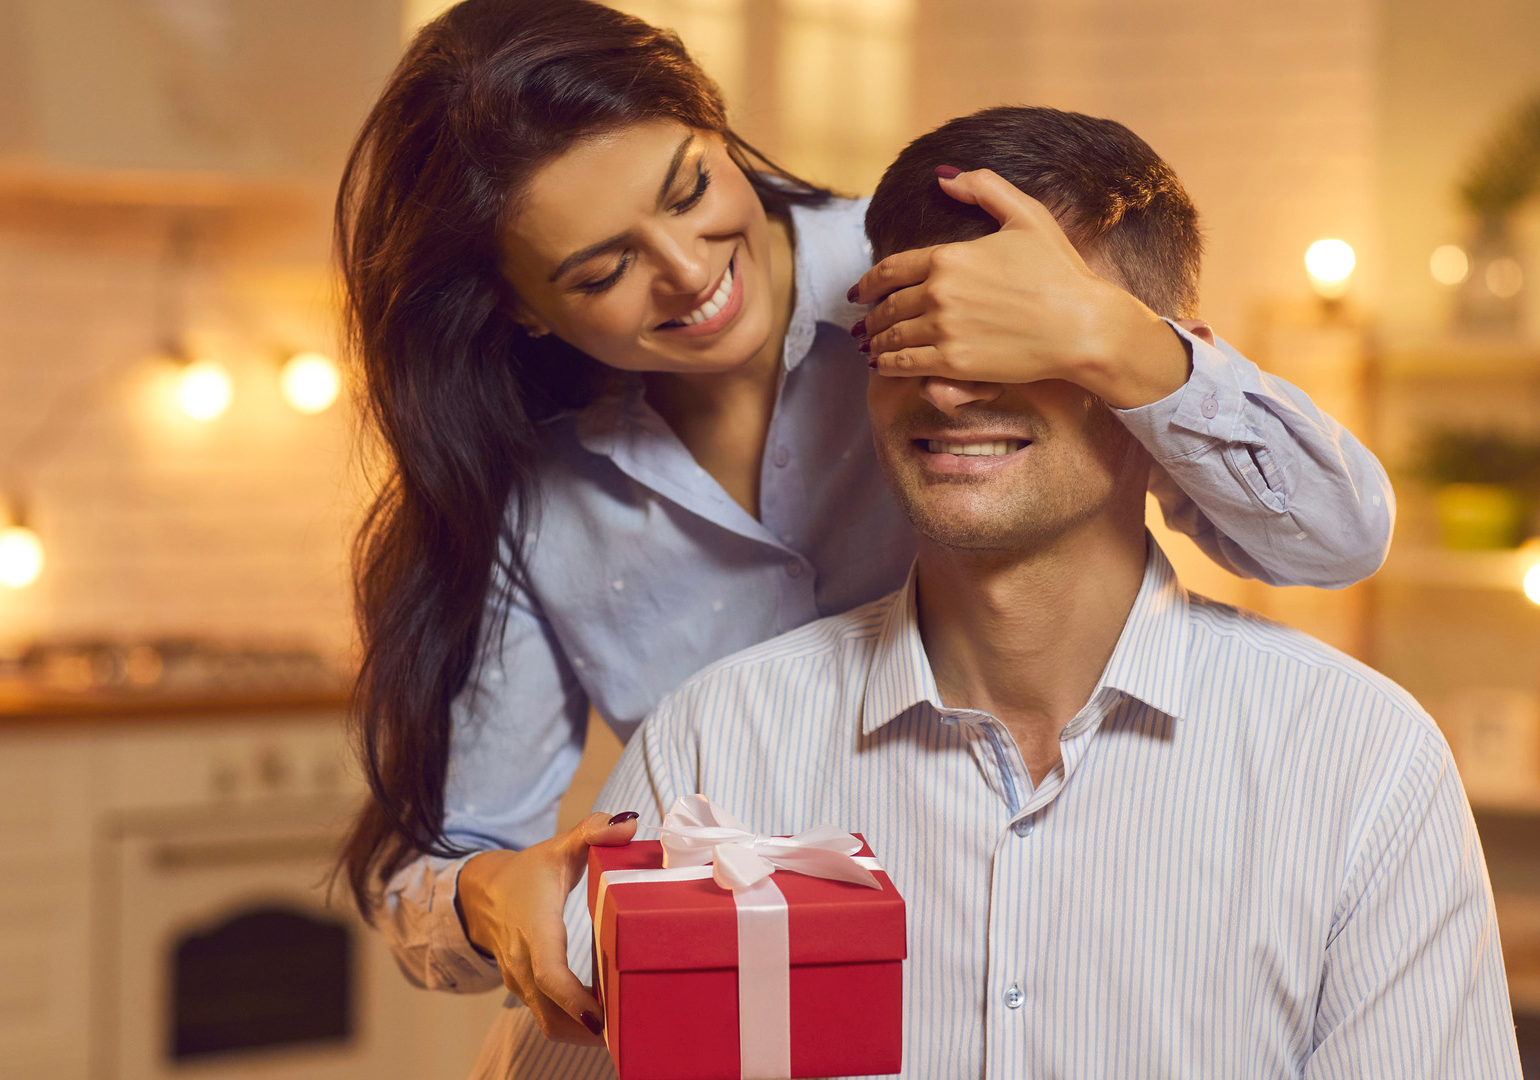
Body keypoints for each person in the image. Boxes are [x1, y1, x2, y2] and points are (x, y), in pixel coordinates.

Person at [335, 0, 1396, 1045]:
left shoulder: (929, 258)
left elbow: (1329, 538)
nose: (691, 271)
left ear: (712, 119)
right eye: (603, 270)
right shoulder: (533, 489)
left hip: (1057, 952)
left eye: (691, 187)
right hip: (758, 1025)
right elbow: (437, 869)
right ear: (520, 304)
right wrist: (485, 898)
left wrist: (1112, 337)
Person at [466, 107, 1517, 1079]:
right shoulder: (714, 747)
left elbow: (1338, 526)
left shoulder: (1358, 766)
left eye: (1016, 340)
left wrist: (1108, 333)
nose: (949, 384)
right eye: (910, 332)